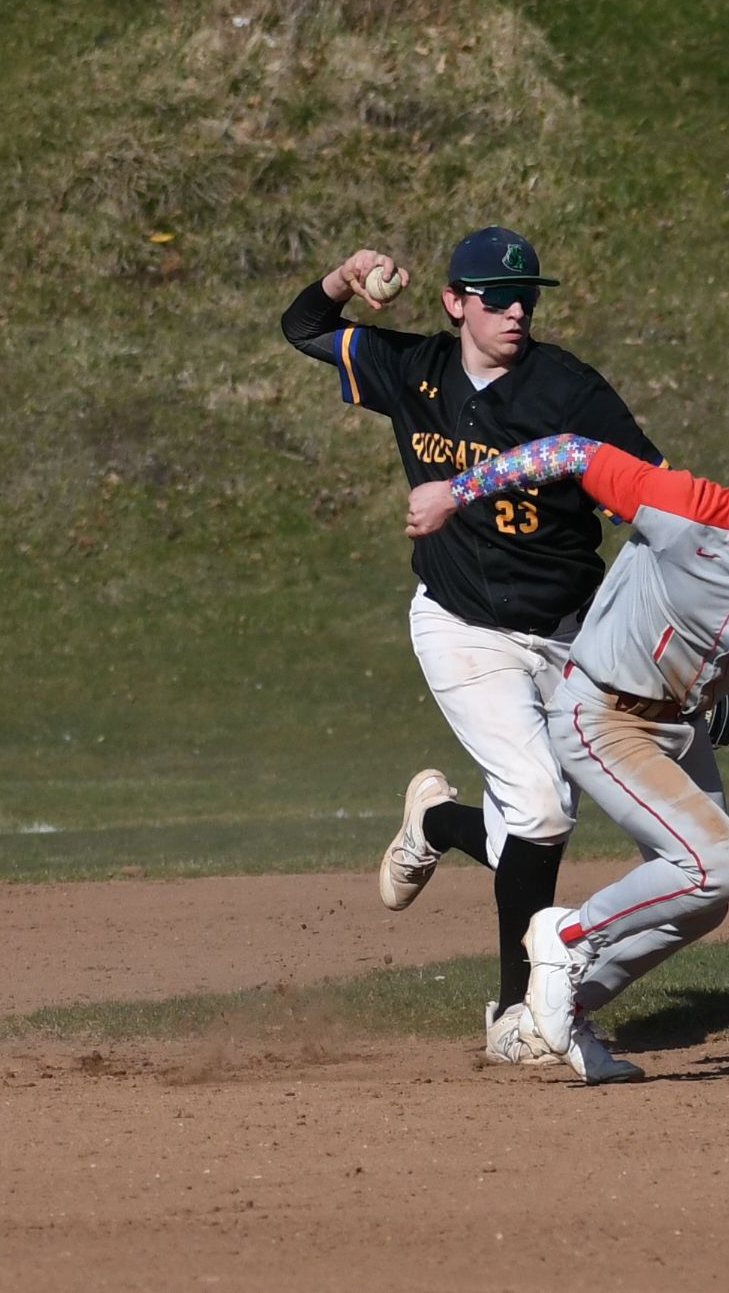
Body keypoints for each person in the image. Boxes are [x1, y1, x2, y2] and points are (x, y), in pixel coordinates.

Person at [406, 404, 729, 1082]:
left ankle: (555, 1013)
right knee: (720, 865)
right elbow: (570, 451)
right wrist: (456, 492)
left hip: (677, 728)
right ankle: (567, 935)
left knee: (704, 901)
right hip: (599, 712)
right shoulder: (689, 509)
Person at [280, 227, 667, 1067]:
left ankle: (436, 821)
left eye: (526, 296)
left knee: (535, 827)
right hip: (461, 626)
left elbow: (654, 498)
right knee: (541, 810)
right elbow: (303, 328)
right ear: (455, 302)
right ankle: (515, 1018)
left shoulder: (566, 388)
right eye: (496, 298)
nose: (515, 311)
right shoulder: (411, 368)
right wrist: (344, 276)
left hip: (569, 635)